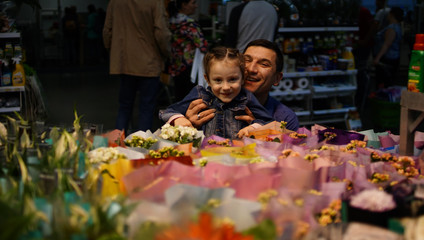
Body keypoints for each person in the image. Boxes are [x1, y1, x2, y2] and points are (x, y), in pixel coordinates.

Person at [184, 39, 299, 131]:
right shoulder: (204, 100)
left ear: (277, 78)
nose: (251, 69)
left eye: (264, 64)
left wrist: (261, 129)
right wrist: (188, 126)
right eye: (247, 60)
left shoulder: (284, 118)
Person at [159, 46, 273, 139]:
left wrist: (254, 127)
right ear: (207, 80)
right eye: (218, 80)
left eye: (232, 79)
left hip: (238, 155)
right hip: (205, 155)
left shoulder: (246, 97)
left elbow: (268, 121)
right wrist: (179, 119)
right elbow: (168, 111)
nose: (226, 87)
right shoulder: (200, 94)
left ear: (243, 78)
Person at [103, 0, 171, 133]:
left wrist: (113, 51)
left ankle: (117, 145)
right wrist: (167, 52)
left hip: (124, 61)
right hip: (148, 62)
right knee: (146, 107)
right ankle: (141, 147)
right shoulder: (155, 2)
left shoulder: (115, 2)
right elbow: (161, 33)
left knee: (124, 106)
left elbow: (107, 31)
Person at [167, 0, 208, 102]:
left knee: (179, 97)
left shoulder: (170, 22)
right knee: (190, 99)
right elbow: (202, 45)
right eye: (193, 3)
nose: (196, 6)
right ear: (184, 5)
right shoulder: (189, 24)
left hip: (175, 65)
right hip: (189, 67)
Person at [373, 7, 403, 88]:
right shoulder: (397, 27)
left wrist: (377, 58)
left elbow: (387, 44)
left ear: (392, 15)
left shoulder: (392, 28)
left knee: (384, 82)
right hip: (391, 58)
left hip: (387, 59)